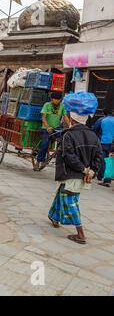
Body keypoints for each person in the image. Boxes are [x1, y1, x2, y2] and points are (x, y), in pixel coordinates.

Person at [48, 111, 103, 245]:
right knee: (62, 192)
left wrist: (84, 170)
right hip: (83, 174)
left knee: (71, 201)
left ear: (72, 120)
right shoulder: (93, 135)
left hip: (71, 173)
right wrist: (92, 172)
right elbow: (99, 156)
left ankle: (80, 234)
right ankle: (54, 217)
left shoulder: (69, 134)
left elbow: (69, 156)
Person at [34, 91, 71, 171]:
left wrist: (71, 126)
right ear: (52, 99)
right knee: (44, 145)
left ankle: (60, 158)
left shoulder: (62, 106)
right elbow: (43, 117)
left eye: (58, 99)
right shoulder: (47, 105)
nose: (56, 101)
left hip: (56, 128)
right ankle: (37, 162)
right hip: (46, 128)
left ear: (61, 99)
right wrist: (47, 127)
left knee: (65, 140)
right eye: (55, 99)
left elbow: (65, 117)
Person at [92, 108, 114, 187]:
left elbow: (94, 130)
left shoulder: (101, 120)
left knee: (102, 160)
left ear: (103, 113)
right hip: (111, 144)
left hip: (102, 142)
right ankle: (105, 178)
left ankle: (103, 178)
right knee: (109, 161)